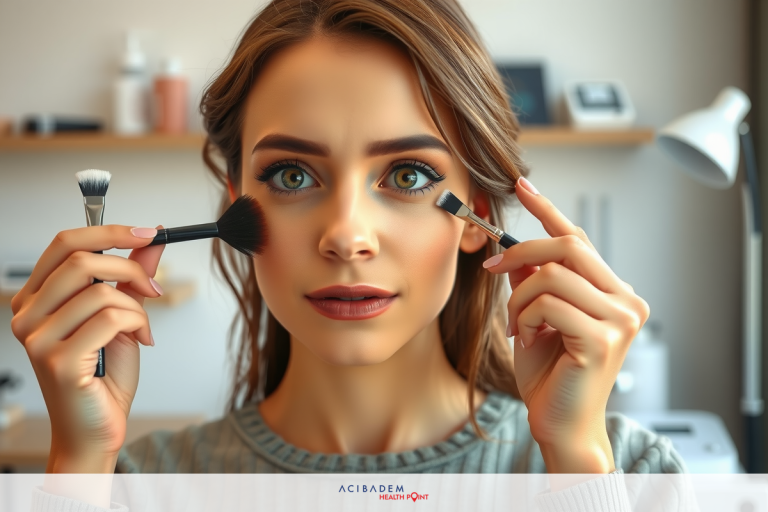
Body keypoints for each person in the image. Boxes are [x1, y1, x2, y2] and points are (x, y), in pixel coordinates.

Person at [10, 0, 687, 509]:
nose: (346, 236)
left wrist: (575, 468)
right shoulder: (134, 486)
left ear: (477, 215)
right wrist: (76, 466)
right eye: (293, 175)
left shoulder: (626, 473)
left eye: (409, 175)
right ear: (234, 207)